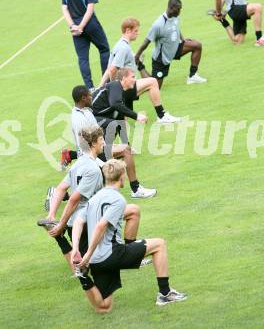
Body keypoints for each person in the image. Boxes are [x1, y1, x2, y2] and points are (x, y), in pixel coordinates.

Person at [71, 159, 187, 313]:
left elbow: (78, 221)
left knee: (104, 306)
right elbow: (101, 226)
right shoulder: (118, 200)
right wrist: (87, 255)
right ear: (122, 177)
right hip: (112, 254)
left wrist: (76, 249)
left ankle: (84, 277)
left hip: (96, 261)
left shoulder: (94, 199)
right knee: (159, 244)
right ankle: (165, 294)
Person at [60, 85, 156, 199]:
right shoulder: (79, 119)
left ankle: (61, 195)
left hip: (96, 150)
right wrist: (102, 163)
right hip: (90, 155)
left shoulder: (86, 112)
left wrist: (109, 146)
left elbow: (98, 134)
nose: (92, 98)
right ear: (83, 98)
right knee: (126, 151)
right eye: (90, 96)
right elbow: (84, 147)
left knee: (93, 190)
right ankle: (136, 189)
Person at [99, 18, 181, 123]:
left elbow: (109, 69)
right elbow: (113, 69)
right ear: (128, 30)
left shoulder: (120, 45)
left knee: (123, 119)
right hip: (124, 87)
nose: (138, 33)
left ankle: (118, 118)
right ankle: (162, 116)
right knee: (153, 82)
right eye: (136, 31)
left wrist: (102, 86)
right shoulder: (123, 48)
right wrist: (113, 88)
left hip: (124, 85)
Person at [46, 127, 105, 270]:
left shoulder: (77, 164)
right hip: (87, 224)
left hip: (75, 224)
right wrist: (60, 224)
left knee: (87, 266)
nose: (104, 143)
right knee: (92, 269)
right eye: (101, 140)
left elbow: (60, 188)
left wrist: (52, 214)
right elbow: (74, 200)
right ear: (93, 144)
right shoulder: (93, 169)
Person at [135, 0, 207, 88]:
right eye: (178, 9)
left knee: (197, 45)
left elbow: (176, 28)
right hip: (162, 58)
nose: (180, 11)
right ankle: (140, 65)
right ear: (172, 8)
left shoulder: (175, 17)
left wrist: (183, 40)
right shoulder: (158, 25)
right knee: (155, 86)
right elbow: (146, 42)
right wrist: (137, 55)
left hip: (175, 48)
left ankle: (192, 76)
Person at [61, 0, 110, 90]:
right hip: (89, 24)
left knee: (83, 58)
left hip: (75, 27)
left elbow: (64, 8)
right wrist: (82, 26)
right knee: (104, 49)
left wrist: (73, 26)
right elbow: (90, 9)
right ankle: (106, 84)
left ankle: (90, 88)